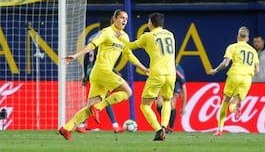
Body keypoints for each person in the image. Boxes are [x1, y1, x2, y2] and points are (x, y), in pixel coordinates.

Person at [59, 10, 149, 140]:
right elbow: (92, 45)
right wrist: (76, 55)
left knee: (90, 107)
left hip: (101, 73)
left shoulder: (124, 37)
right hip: (101, 70)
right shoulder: (106, 32)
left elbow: (129, 55)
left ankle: (67, 128)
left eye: (126, 19)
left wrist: (143, 68)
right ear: (114, 18)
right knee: (128, 92)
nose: (124, 21)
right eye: (122, 18)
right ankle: (99, 107)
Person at [117, 12, 176, 141]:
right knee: (167, 101)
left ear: (150, 23)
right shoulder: (170, 34)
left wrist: (120, 37)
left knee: (145, 105)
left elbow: (130, 46)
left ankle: (158, 130)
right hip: (171, 73)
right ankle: (164, 126)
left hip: (157, 73)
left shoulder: (148, 36)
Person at [76, 18, 127, 133]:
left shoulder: (92, 37)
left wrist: (85, 74)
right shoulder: (105, 36)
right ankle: (115, 125)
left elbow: (85, 58)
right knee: (104, 96)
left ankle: (81, 124)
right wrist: (113, 70)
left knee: (96, 98)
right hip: (99, 70)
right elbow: (102, 57)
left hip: (90, 70)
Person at [208, 26, 259, 136]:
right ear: (248, 38)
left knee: (225, 101)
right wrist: (248, 73)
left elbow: (225, 64)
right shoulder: (253, 51)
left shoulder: (232, 47)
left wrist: (215, 70)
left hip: (235, 75)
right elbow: (257, 70)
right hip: (247, 78)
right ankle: (235, 107)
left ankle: (220, 129)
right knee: (236, 100)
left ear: (237, 36)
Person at [156, 63, 187, 133]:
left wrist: (183, 107)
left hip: (175, 86)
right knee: (158, 103)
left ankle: (170, 127)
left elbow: (184, 90)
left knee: (171, 104)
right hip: (165, 85)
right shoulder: (161, 68)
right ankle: (165, 122)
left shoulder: (178, 73)